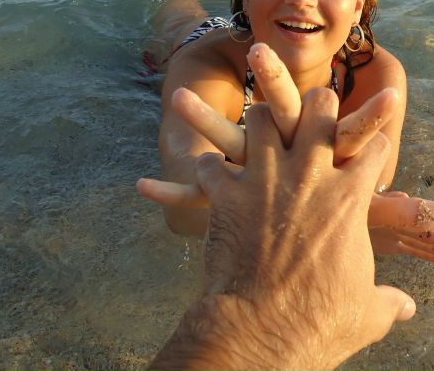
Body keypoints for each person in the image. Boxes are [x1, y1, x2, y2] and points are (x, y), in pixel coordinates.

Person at [138, 0, 434, 263]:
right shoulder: (207, 67)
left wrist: (363, 216)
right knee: (175, 1)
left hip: (267, 24)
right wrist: (328, 221)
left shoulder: (377, 75)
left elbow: (372, 189)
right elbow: (182, 204)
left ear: (358, 5)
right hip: (209, 39)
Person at [147, 79, 418, 370]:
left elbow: (367, 189)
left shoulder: (373, 70)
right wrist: (282, 325)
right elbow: (180, 212)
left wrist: (355, 222)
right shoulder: (212, 71)